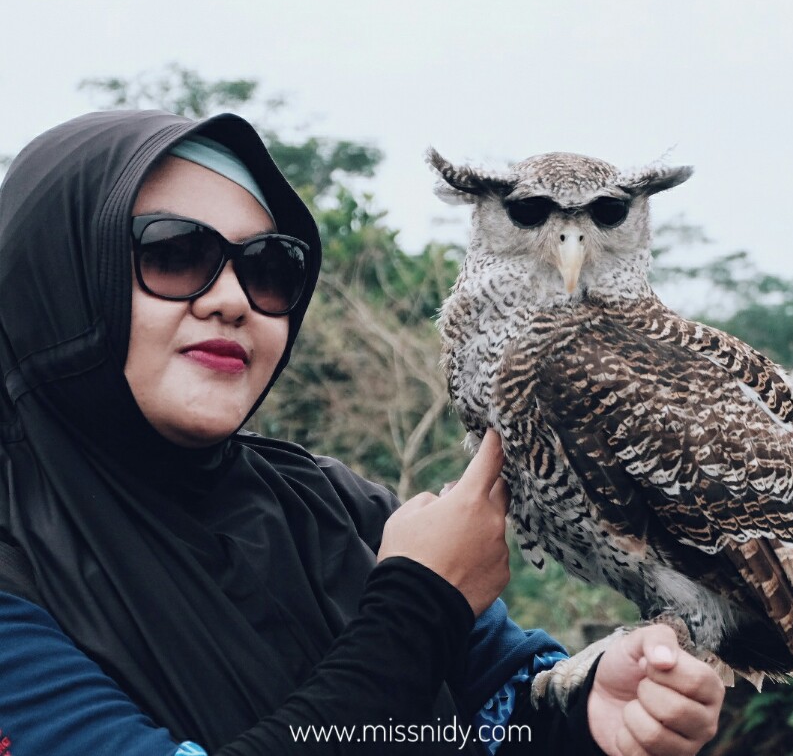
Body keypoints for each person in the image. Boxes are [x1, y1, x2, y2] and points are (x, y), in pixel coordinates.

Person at [0, 109, 723, 756]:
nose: (231, 300)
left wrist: (586, 713)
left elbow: (492, 716)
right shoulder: (15, 570)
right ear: (55, 278)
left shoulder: (336, 509)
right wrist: (416, 608)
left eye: (268, 267)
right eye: (173, 254)